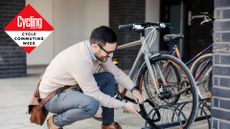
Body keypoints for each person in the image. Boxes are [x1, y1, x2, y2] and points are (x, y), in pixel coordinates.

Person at [39, 26, 144, 129]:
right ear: (95, 46)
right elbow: (94, 94)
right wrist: (123, 105)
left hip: (72, 88)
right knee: (91, 105)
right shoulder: (81, 60)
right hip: (53, 98)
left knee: (108, 77)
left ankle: (108, 124)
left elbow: (116, 72)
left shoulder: (97, 51)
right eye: (108, 52)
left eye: (113, 51)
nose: (111, 56)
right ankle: (55, 122)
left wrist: (133, 89)